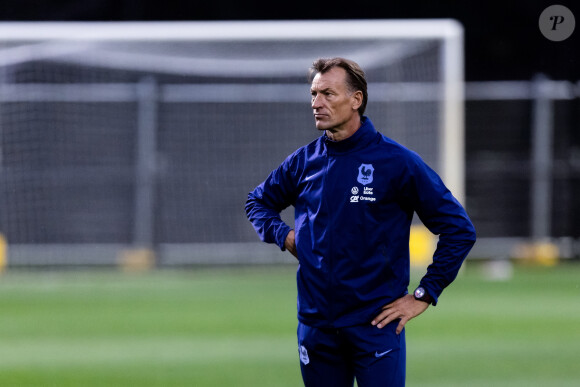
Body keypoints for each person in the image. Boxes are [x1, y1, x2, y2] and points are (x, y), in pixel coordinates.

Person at [245, 57, 476, 387]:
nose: (316, 103)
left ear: (356, 100)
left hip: (377, 324)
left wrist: (425, 293)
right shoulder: (303, 162)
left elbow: (459, 229)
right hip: (316, 324)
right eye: (313, 94)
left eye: (328, 93)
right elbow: (257, 202)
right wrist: (285, 236)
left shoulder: (397, 163)